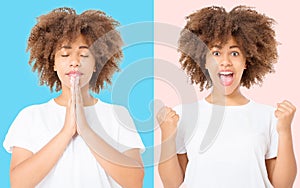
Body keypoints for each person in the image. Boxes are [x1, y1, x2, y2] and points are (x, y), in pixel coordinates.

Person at [3, 7, 144, 188]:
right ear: (53, 63)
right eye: (65, 54)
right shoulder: (30, 116)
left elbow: (135, 181)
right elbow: (18, 183)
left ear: (96, 64)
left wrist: (85, 130)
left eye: (84, 54)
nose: (75, 61)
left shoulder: (117, 115)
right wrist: (66, 132)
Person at [157, 5, 297, 188]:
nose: (225, 62)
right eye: (216, 53)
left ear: (247, 61)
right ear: (203, 60)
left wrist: (285, 130)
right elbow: (172, 184)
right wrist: (167, 134)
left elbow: (282, 185)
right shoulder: (183, 115)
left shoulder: (269, 116)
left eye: (234, 53)